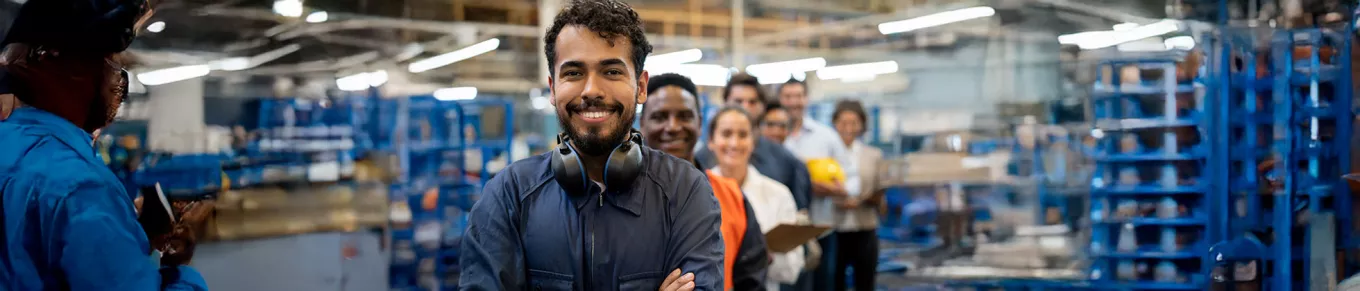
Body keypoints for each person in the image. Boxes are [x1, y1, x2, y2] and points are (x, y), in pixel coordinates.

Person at [459, 1, 723, 290]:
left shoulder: (684, 191)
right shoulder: (509, 195)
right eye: (573, 73)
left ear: (641, 87)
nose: (591, 90)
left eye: (611, 72)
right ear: (553, 87)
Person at [0, 0, 211, 290]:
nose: (118, 80)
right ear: (73, 71)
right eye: (112, 63)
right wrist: (180, 271)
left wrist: (125, 234)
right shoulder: (82, 188)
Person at [640, 73, 769, 290]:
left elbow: (751, 280)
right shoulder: (617, 197)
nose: (672, 127)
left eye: (684, 116)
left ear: (699, 123)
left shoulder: (732, 196)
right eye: (660, 116)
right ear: (642, 124)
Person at [705, 107, 805, 291]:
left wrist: (761, 254)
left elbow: (792, 270)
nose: (734, 143)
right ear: (711, 141)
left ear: (753, 142)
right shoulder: (698, 192)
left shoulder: (778, 195)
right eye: (726, 134)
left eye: (743, 135)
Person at [776, 78, 860, 291]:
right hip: (781, 232)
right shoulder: (771, 137)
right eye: (788, 96)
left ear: (807, 99)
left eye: (798, 96)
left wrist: (841, 190)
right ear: (780, 99)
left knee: (823, 285)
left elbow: (852, 176)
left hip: (820, 229)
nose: (793, 102)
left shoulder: (826, 137)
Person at [695, 73, 812, 210]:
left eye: (752, 102)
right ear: (725, 102)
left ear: (762, 106)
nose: (745, 107)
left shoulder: (784, 159)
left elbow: (799, 212)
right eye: (738, 101)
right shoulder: (701, 159)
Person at [829, 100, 885, 291]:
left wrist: (864, 200)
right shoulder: (827, 154)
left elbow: (880, 190)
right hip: (834, 228)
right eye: (843, 122)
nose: (848, 128)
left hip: (865, 226)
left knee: (865, 281)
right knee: (835, 281)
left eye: (854, 123)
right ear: (835, 124)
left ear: (862, 126)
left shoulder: (873, 155)